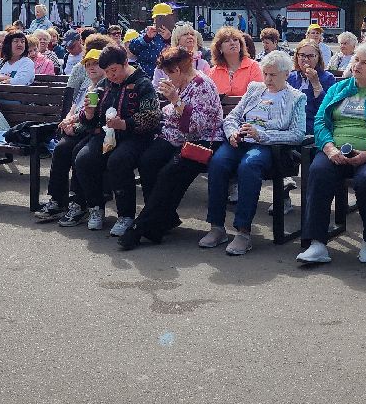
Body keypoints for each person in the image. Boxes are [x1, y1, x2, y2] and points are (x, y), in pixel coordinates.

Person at [297, 42, 366, 266]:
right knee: (318, 171)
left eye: (364, 62)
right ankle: (317, 243)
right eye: (356, 59)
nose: (356, 65)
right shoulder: (340, 88)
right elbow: (320, 121)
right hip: (336, 151)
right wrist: (329, 147)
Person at [114, 46, 225, 247]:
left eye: (168, 73)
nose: (166, 78)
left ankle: (142, 227)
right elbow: (169, 114)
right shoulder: (180, 84)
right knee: (148, 161)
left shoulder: (203, 85)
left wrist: (175, 101)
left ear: (177, 70)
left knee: (170, 172)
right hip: (175, 137)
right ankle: (162, 221)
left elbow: (196, 126)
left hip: (201, 142)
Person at [201, 51, 308, 256]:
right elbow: (232, 117)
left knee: (249, 166)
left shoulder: (296, 98)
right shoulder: (254, 89)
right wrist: (232, 133)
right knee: (217, 163)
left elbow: (297, 134)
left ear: (286, 74)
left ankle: (243, 231)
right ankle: (216, 227)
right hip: (240, 140)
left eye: (273, 75)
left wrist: (263, 136)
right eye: (265, 74)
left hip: (268, 147)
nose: (267, 79)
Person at [71, 44, 161, 236]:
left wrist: (125, 124)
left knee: (118, 161)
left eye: (114, 70)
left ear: (125, 63)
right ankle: (95, 207)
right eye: (108, 72)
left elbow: (152, 117)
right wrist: (88, 113)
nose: (111, 76)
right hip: (108, 135)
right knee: (83, 159)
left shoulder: (142, 83)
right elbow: (91, 121)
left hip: (136, 137)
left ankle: (126, 214)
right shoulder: (104, 85)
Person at [39, 49, 109, 223]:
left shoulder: (106, 87)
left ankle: (79, 203)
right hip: (78, 130)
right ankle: (57, 199)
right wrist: (67, 122)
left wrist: (74, 126)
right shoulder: (86, 87)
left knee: (78, 152)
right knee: (61, 149)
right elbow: (72, 111)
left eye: (96, 64)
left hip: (92, 132)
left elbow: (96, 119)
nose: (91, 68)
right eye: (88, 65)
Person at [288, 39, 336, 132]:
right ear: (297, 56)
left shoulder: (327, 78)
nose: (306, 59)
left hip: (312, 125)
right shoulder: (290, 77)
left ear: (318, 58)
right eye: (302, 55)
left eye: (310, 56)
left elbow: (328, 110)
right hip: (290, 125)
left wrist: (315, 83)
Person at [209, 25, 261, 97]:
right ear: (219, 48)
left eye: (235, 40)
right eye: (227, 41)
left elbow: (258, 95)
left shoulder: (253, 66)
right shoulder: (212, 73)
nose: (232, 43)